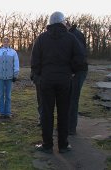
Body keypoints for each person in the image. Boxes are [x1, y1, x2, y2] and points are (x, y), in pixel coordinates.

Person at [31, 11, 85, 153]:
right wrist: (71, 72)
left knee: (47, 113)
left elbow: (35, 60)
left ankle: (47, 145)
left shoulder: (42, 38)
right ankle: (63, 145)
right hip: (64, 81)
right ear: (63, 22)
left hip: (46, 81)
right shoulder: (71, 38)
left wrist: (38, 77)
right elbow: (80, 60)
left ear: (50, 23)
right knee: (64, 113)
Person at [66, 21, 88, 135]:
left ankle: (70, 128)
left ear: (67, 25)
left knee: (73, 99)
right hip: (75, 71)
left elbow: (80, 55)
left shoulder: (75, 35)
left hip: (78, 71)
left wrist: (73, 70)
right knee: (68, 98)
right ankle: (67, 126)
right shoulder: (73, 34)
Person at [0, 37, 19, 118]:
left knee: (8, 96)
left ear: (9, 43)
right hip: (0, 77)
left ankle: (7, 112)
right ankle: (1, 112)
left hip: (9, 77)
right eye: (4, 41)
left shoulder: (13, 52)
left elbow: (16, 64)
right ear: (2, 42)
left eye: (7, 41)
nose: (6, 43)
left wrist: (15, 75)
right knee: (0, 95)